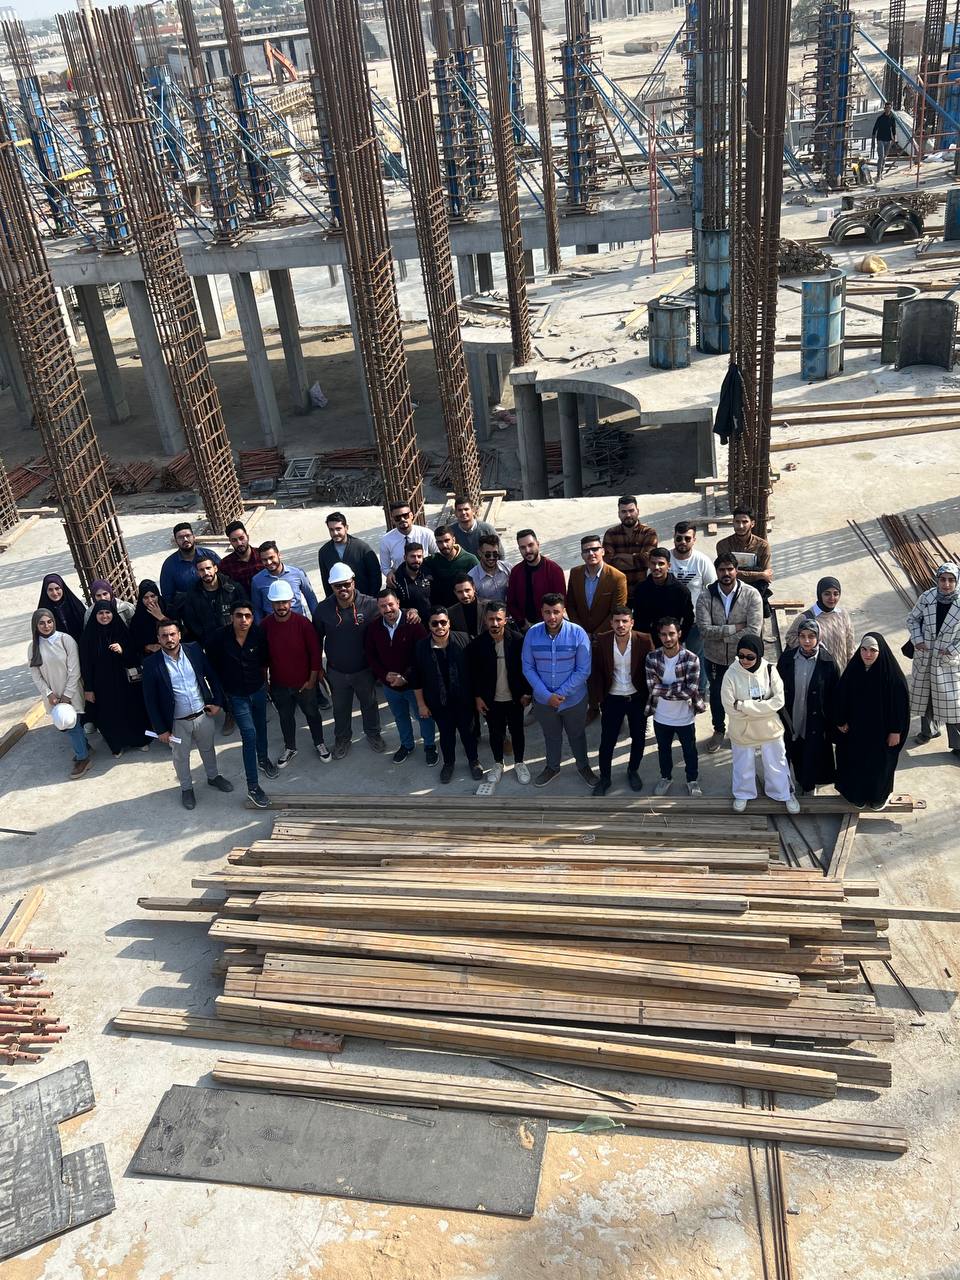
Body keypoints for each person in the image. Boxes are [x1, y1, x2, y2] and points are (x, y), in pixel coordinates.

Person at [144, 617, 235, 808]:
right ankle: (186, 788)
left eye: (172, 634)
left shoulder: (194, 650)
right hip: (177, 722)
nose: (169, 639)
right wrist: (161, 729)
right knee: (181, 757)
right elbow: (150, 700)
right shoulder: (152, 664)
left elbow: (212, 676)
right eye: (164, 636)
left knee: (208, 749)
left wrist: (218, 702)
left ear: (179, 635)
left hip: (202, 714)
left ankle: (213, 777)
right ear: (158, 639)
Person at [206, 602, 278, 807]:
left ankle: (263, 760)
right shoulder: (218, 638)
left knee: (261, 727)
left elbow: (264, 661)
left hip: (257, 690)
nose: (243, 620)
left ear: (252, 618)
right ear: (231, 617)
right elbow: (211, 669)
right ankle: (253, 787)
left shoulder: (258, 634)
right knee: (249, 735)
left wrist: (266, 686)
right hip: (236, 696)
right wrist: (219, 696)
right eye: (239, 615)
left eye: (247, 616)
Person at [521, 593, 596, 788]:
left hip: (574, 700)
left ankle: (583, 766)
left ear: (564, 611)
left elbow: (583, 670)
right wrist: (546, 696)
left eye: (556, 612)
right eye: (547, 612)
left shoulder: (578, 633)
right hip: (544, 701)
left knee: (577, 734)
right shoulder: (532, 634)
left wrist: (560, 694)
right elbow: (528, 667)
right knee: (551, 736)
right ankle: (552, 767)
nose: (552, 617)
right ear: (541, 612)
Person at [721, 633, 798, 814]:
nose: (745, 660)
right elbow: (729, 707)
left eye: (750, 657)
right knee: (742, 764)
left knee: (777, 763)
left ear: (759, 654)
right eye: (741, 656)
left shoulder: (770, 670)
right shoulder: (731, 674)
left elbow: (778, 701)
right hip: (742, 729)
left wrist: (744, 706)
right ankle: (743, 793)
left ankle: (784, 793)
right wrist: (763, 710)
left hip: (770, 729)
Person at [312, 562, 382, 758]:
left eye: (346, 584)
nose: (342, 589)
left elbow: (390, 620)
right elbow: (315, 640)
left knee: (369, 705)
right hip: (337, 672)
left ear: (353, 582)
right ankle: (342, 739)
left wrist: (411, 613)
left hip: (364, 670)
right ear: (331, 587)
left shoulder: (370, 605)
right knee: (340, 709)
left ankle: (373, 734)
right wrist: (317, 668)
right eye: (337, 586)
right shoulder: (323, 610)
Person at [695, 553, 764, 753]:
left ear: (736, 570)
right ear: (716, 572)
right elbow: (704, 631)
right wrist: (734, 628)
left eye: (730, 569)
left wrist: (722, 635)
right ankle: (719, 730)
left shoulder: (751, 595)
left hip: (743, 659)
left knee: (745, 696)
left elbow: (753, 630)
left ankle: (744, 732)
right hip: (714, 658)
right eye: (722, 569)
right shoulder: (705, 596)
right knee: (717, 697)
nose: (726, 573)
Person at [834, 634, 910, 809]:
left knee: (879, 765)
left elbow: (900, 706)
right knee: (854, 763)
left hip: (882, 733)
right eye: (864, 649)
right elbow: (840, 697)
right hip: (855, 731)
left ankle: (878, 798)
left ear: (880, 651)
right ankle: (856, 795)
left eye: (873, 650)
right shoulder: (853, 671)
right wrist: (840, 720)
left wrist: (895, 730)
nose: (867, 654)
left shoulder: (892, 676)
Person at [262, 580, 330, 765]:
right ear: (271, 603)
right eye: (277, 602)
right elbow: (263, 657)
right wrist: (266, 682)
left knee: (312, 714)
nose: (281, 606)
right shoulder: (265, 625)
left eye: (284, 602)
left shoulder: (303, 623)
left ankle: (320, 743)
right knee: (285, 717)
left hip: (304, 683)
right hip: (279, 685)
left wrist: (311, 681)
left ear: (291, 601)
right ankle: (290, 747)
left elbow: (315, 654)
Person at [412, 607, 484, 784]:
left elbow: (476, 673)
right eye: (435, 623)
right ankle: (449, 764)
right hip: (439, 702)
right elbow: (417, 678)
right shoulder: (421, 647)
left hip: (464, 700)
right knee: (446, 735)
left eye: (443, 622)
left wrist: (478, 698)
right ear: (429, 625)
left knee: (469, 734)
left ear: (449, 623)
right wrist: (421, 704)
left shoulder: (464, 639)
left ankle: (474, 761)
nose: (439, 627)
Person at [365, 587, 436, 765]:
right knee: (400, 717)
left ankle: (429, 746)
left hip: (414, 685)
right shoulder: (374, 628)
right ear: (378, 608)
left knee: (423, 716)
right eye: (383, 606)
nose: (387, 609)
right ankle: (407, 745)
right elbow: (371, 656)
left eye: (390, 604)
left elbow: (423, 655)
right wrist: (384, 675)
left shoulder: (413, 624)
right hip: (390, 686)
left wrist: (405, 676)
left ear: (398, 603)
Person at [590, 604, 654, 796]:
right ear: (611, 623)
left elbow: (653, 669)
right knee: (607, 741)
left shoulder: (644, 640)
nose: (621, 625)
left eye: (625, 621)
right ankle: (605, 778)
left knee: (638, 738)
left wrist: (651, 698)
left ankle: (633, 771)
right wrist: (598, 700)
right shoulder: (602, 640)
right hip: (612, 698)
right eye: (617, 621)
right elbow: (595, 672)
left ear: (632, 623)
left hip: (637, 698)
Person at [467, 601, 532, 785]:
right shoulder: (477, 645)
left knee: (517, 731)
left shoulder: (518, 641)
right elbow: (473, 674)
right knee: (495, 733)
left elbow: (528, 668)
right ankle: (498, 763)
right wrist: (477, 697)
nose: (494, 623)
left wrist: (527, 693)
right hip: (491, 700)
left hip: (515, 699)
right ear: (485, 620)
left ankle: (519, 763)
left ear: (505, 620)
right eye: (491, 619)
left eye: (498, 619)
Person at [79, 601, 150, 757]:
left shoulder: (121, 631)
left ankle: (139, 740)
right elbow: (85, 665)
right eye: (100, 613)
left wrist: (122, 650)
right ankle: (116, 745)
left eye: (108, 612)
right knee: (109, 715)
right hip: (102, 685)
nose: (104, 616)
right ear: (95, 615)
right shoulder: (88, 637)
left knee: (132, 710)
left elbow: (134, 656)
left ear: (113, 614)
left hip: (125, 682)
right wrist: (89, 689)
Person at [776, 617, 838, 795]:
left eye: (811, 636)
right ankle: (792, 782)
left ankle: (809, 786)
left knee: (811, 752)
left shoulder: (828, 663)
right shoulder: (787, 658)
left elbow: (834, 695)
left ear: (818, 638)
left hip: (815, 720)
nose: (807, 641)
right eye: (802, 636)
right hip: (791, 716)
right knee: (790, 749)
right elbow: (776, 686)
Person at [28, 608, 92, 778]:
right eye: (42, 623)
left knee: (72, 725)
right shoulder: (33, 646)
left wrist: (67, 695)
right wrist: (49, 694)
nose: (46, 626)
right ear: (35, 626)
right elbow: (36, 674)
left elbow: (75, 669)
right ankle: (84, 747)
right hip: (52, 696)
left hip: (71, 691)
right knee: (66, 725)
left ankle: (83, 758)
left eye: (49, 622)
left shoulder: (65, 640)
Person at [645, 617, 704, 796]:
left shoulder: (691, 659)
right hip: (661, 716)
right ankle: (666, 777)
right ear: (659, 636)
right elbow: (652, 688)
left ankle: (692, 780)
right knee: (663, 751)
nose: (668, 638)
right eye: (664, 634)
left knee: (690, 752)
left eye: (671, 633)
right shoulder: (652, 658)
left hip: (685, 717)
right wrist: (679, 688)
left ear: (679, 634)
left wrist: (662, 687)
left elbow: (689, 691)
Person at [907, 562, 960, 750]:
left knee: (952, 703)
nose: (946, 584)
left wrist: (952, 649)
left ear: (957, 581)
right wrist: (918, 639)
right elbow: (912, 619)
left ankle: (958, 746)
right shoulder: (927, 597)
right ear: (937, 580)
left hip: (947, 660)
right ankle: (928, 731)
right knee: (925, 695)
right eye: (942, 579)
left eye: (951, 580)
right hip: (925, 654)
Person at [669, 521, 716, 693]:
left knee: (697, 657)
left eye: (687, 538)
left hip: (695, 621)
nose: (683, 542)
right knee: (672, 658)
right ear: (674, 537)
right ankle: (675, 692)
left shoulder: (702, 561)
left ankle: (700, 691)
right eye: (679, 538)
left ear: (694, 539)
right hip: (669, 623)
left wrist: (707, 617)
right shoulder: (665, 559)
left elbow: (712, 590)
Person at [784, 577, 856, 669]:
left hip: (841, 672)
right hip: (817, 672)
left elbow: (850, 645)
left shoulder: (843, 615)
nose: (832, 598)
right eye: (827, 594)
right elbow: (790, 637)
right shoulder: (806, 617)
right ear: (819, 594)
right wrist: (810, 646)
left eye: (836, 594)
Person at [716, 508, 773, 618]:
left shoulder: (762, 546)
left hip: (756, 592)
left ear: (752, 524)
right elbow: (726, 573)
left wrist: (759, 575)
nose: (740, 526)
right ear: (733, 523)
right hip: (731, 590)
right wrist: (759, 574)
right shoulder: (723, 545)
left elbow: (767, 576)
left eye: (745, 522)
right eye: (737, 522)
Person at [506, 529, 566, 632]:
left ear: (537, 544)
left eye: (530, 545)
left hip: (550, 626)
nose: (527, 550)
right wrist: (521, 622)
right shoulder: (516, 572)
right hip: (523, 627)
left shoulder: (554, 570)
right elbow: (511, 602)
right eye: (523, 547)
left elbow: (561, 602)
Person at [631, 546, 693, 643]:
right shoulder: (640, 589)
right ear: (649, 564)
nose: (656, 567)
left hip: (670, 641)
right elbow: (637, 617)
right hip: (646, 641)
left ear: (669, 566)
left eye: (661, 564)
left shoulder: (681, 591)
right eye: (653, 563)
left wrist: (679, 640)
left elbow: (688, 619)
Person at [176, 555, 240, 648]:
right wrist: (205, 638)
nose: (206, 572)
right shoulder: (192, 595)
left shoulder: (233, 588)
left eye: (208, 568)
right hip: (210, 643)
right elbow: (191, 621)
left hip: (236, 639)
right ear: (198, 573)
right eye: (201, 570)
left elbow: (245, 610)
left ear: (215, 568)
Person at [251, 541, 318, 623]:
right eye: (264, 560)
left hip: (298, 623)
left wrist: (317, 622)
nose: (269, 562)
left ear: (279, 555)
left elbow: (311, 598)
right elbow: (257, 609)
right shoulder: (257, 581)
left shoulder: (298, 573)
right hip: (274, 626)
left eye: (271, 558)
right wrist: (260, 628)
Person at [318, 511, 381, 598]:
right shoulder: (324, 552)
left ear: (346, 528)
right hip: (340, 602)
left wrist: (370, 599)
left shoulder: (362, 548)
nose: (335, 533)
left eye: (338, 529)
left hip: (364, 599)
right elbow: (326, 581)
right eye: (331, 530)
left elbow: (375, 575)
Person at [602, 496, 658, 593]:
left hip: (643, 590)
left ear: (638, 511)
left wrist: (618, 557)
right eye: (624, 511)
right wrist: (637, 559)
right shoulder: (611, 533)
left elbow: (647, 559)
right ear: (619, 514)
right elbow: (607, 561)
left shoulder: (649, 532)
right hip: (618, 590)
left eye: (631, 511)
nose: (628, 515)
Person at [159, 522, 220, 600]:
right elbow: (167, 595)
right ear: (176, 541)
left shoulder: (210, 555)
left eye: (188, 536)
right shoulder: (169, 565)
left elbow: (225, 579)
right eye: (180, 537)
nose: (185, 539)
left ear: (194, 537)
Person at [380, 500, 438, 581]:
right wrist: (389, 573)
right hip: (401, 579)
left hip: (426, 578)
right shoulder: (386, 540)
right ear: (392, 520)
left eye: (405, 515)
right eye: (397, 518)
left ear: (411, 515)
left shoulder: (427, 534)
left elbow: (438, 556)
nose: (402, 519)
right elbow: (385, 567)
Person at [424, 525, 479, 607]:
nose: (444, 545)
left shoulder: (470, 560)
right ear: (436, 543)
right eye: (440, 542)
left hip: (466, 608)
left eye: (447, 540)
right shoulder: (430, 561)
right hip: (441, 610)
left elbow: (479, 585)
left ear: (453, 540)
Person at [128, 580, 172, 661]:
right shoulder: (138, 618)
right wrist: (148, 647)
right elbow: (134, 642)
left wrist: (161, 617)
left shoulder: (168, 609)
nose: (150, 600)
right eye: (146, 598)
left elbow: (180, 631)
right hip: (153, 658)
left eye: (153, 596)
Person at [37, 574, 86, 644]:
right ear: (46, 591)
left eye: (57, 588)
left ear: (62, 588)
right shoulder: (43, 610)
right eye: (50, 590)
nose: (54, 593)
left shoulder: (75, 605)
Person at [218, 520, 264, 595]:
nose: (239, 543)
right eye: (234, 540)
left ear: (247, 537)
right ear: (230, 542)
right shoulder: (225, 564)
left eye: (241, 538)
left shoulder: (262, 555)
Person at [393, 541, 434, 616]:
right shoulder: (395, 579)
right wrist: (407, 611)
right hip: (409, 620)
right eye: (412, 556)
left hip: (431, 619)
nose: (416, 560)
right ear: (405, 557)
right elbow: (392, 604)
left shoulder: (429, 573)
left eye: (419, 556)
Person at [469, 534, 511, 602]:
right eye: (488, 554)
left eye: (495, 554)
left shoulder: (508, 568)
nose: (491, 558)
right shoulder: (472, 577)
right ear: (479, 553)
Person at [871, 100, 896, 184]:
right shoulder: (880, 118)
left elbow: (894, 129)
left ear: (891, 109)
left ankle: (881, 173)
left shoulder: (892, 118)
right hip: (880, 139)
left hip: (888, 140)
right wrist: (873, 141)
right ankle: (878, 174)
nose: (888, 109)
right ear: (884, 108)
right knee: (881, 157)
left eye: (889, 108)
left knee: (884, 157)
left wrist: (894, 138)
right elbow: (874, 129)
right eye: (887, 108)